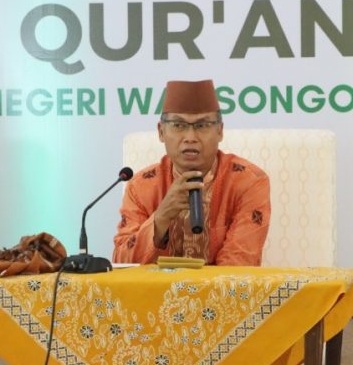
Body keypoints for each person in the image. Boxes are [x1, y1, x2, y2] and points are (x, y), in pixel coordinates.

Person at [113, 79, 271, 266]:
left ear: (220, 131)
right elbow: (122, 263)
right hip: (157, 286)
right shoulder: (140, 187)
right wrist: (161, 218)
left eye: (202, 126)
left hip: (221, 286)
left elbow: (239, 263)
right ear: (161, 132)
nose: (190, 138)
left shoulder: (249, 182)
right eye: (178, 125)